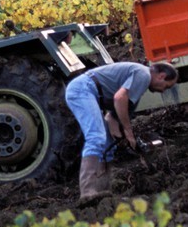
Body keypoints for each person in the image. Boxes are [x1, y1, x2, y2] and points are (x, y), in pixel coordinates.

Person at [65, 60, 179, 201]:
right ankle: (87, 192)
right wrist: (128, 130)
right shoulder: (144, 75)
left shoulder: (138, 84)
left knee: (108, 144)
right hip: (83, 89)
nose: (163, 91)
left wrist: (122, 137)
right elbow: (119, 98)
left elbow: (111, 118)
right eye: (166, 86)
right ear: (161, 76)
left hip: (89, 91)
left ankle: (102, 191)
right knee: (96, 137)